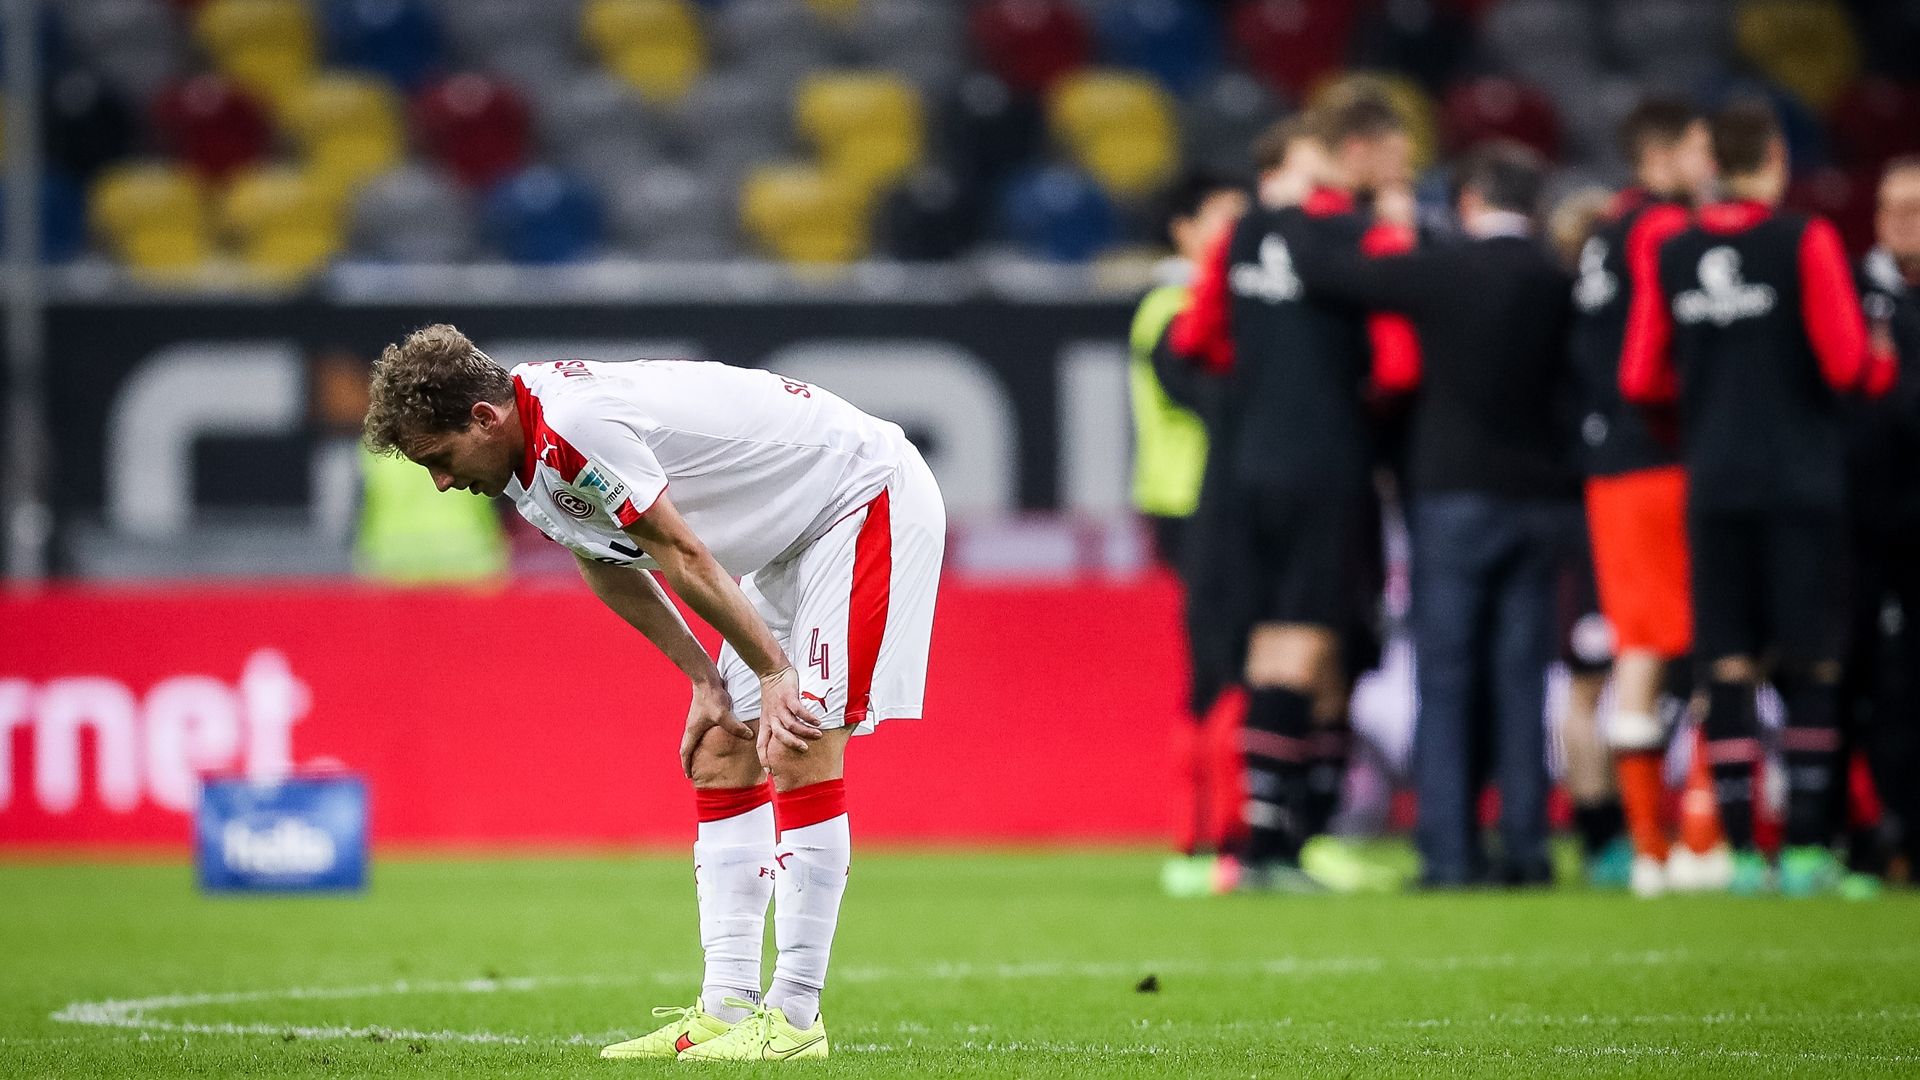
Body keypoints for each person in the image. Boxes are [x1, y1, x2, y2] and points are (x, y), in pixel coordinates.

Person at [360, 325, 945, 1059]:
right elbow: (604, 562)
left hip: (860, 495)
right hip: (790, 539)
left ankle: (796, 1020)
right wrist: (705, 678)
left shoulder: (573, 427)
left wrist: (773, 674)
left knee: (798, 738)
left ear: (483, 418)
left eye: (439, 460)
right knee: (723, 750)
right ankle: (727, 1009)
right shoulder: (526, 453)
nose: (442, 483)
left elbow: (681, 553)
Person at [1621, 101, 1897, 897]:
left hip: (1713, 483)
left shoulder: (1673, 250)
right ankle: (1805, 852)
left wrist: (1697, 419)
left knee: (1728, 665)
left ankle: (1742, 857)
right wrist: (1880, 364)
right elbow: (1847, 363)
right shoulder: (1804, 240)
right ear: (1775, 157)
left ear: (1711, 160)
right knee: (1811, 660)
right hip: (1799, 481)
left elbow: (1640, 377)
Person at [1292, 141, 1580, 888]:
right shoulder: (1559, 279)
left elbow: (1327, 272)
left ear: (1470, 201)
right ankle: (1527, 846)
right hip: (1542, 497)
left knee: (1446, 679)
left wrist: (1377, 217)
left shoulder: (1445, 270)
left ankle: (1449, 851)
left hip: (1453, 495)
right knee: (1522, 678)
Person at [1171, 96, 1415, 892]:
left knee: (1274, 644)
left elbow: (1200, 338)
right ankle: (1284, 844)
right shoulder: (1355, 237)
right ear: (1353, 150)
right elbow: (1397, 364)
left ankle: (1265, 840)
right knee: (1313, 643)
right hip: (1326, 457)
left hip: (1250, 464)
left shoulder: (1241, 234)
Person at [1568, 98, 1729, 897]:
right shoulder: (1666, 231)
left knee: (1639, 644)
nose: (1712, 165)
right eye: (1701, 149)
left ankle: (1646, 851)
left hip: (1609, 466)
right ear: (1662, 154)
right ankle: (1698, 838)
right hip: (1666, 454)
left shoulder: (1604, 232)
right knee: (1702, 643)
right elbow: (1664, 355)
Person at [1128, 170, 1250, 896]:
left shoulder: (1194, 305)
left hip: (1208, 501)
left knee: (1228, 660)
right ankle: (1199, 837)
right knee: (1215, 664)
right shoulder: (1172, 309)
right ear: (1184, 229)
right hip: (1192, 501)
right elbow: (1203, 397)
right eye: (1223, 218)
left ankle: (1222, 834)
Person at [1846, 156, 1920, 880]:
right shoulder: (1849, 290)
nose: (1897, 220)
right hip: (1861, 523)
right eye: (1888, 206)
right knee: (1859, 679)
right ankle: (1873, 832)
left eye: (1914, 207)